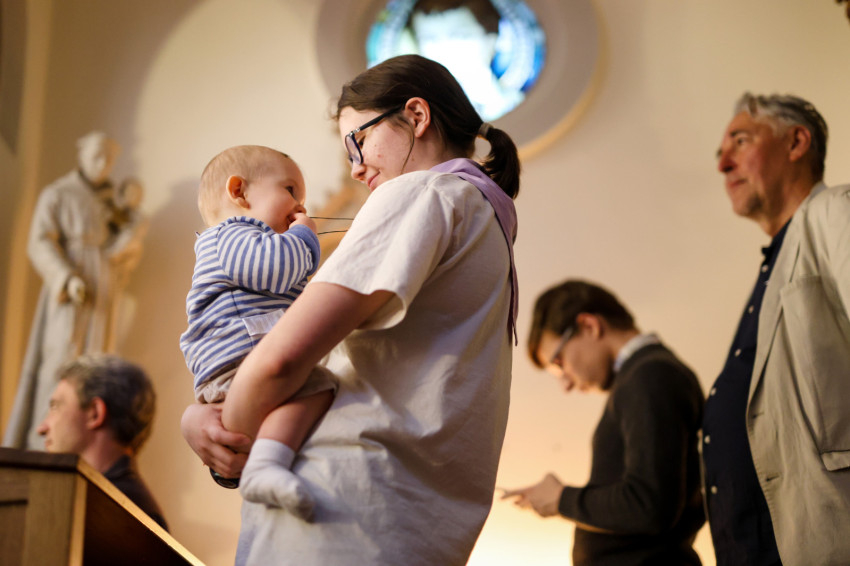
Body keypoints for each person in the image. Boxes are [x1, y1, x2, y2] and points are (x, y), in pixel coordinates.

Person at [181, 53, 520, 565]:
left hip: (337, 504)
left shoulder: (422, 190)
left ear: (416, 116)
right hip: (412, 521)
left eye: (357, 142)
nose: (357, 168)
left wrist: (216, 435)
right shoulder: (485, 217)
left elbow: (279, 363)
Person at [704, 93, 850, 565]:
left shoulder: (837, 211)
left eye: (740, 141)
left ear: (796, 143)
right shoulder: (775, 261)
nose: (723, 164)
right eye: (721, 152)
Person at [501, 280, 705, 566]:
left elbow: (649, 505)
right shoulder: (642, 377)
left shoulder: (651, 376)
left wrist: (562, 498)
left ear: (589, 326)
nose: (565, 384)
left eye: (559, 363)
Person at [179, 145, 335, 518]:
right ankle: (267, 465)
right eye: (291, 191)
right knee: (318, 387)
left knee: (309, 393)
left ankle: (266, 463)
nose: (300, 207)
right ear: (239, 192)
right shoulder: (231, 234)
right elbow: (278, 267)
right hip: (243, 356)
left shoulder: (243, 242)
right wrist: (305, 236)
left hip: (240, 361)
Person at [4, 131, 146, 449]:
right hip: (72, 289)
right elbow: (39, 241)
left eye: (108, 159)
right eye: (96, 156)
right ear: (81, 155)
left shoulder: (112, 204)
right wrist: (66, 278)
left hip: (103, 291)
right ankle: (43, 444)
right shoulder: (58, 194)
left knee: (96, 370)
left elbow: (123, 254)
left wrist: (130, 234)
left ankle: (82, 445)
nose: (102, 163)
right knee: (60, 363)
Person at [36, 354, 168, 530]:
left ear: (95, 413)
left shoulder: (124, 515)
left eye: (55, 407)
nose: (41, 428)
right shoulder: (111, 504)